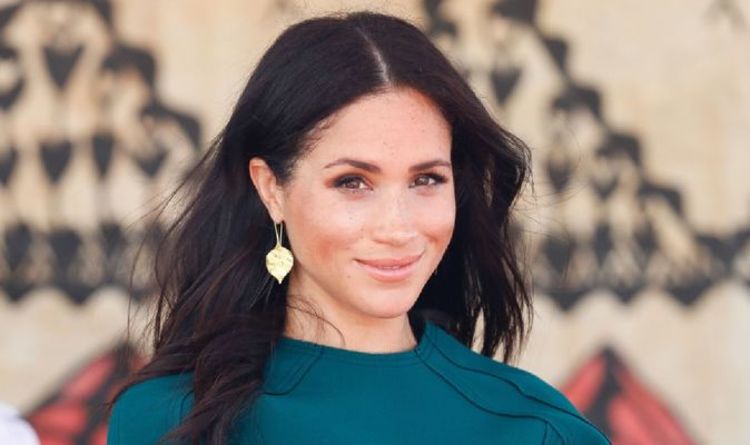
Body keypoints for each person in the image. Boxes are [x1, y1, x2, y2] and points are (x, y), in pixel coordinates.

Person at [106, 11, 610, 445]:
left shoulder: (537, 429)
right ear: (271, 188)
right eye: (352, 182)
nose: (398, 227)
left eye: (427, 180)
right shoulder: (168, 419)